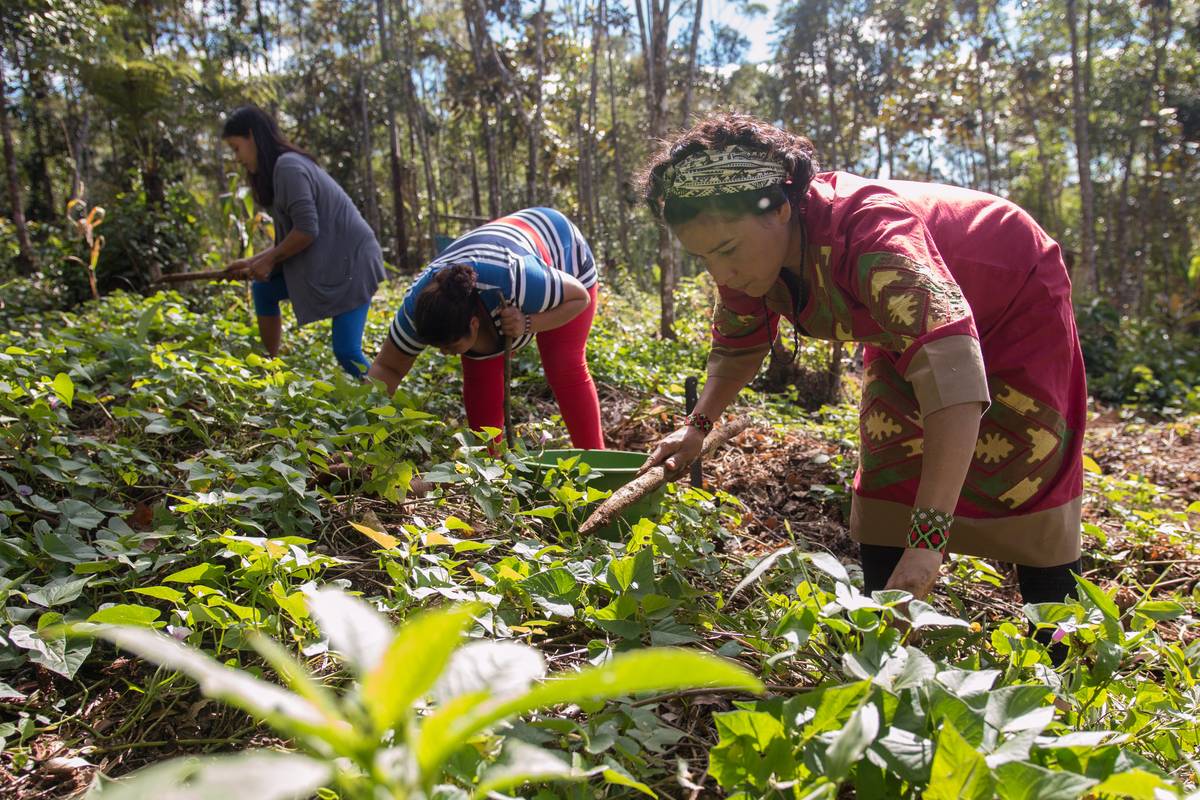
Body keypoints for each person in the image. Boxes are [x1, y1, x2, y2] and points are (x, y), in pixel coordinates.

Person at [638, 113, 1086, 607]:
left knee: (1027, 462)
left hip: (1012, 295)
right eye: (705, 258)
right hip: (905, 330)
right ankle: (885, 633)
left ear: (780, 207)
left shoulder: (870, 231)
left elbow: (952, 376)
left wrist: (929, 543)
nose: (722, 271)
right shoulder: (748, 262)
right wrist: (697, 425)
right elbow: (738, 348)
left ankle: (1056, 651)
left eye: (727, 249)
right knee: (888, 463)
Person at [367, 208, 605, 449]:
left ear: (473, 323)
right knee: (480, 373)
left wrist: (527, 323)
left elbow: (579, 298)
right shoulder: (416, 309)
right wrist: (362, 433)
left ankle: (597, 462)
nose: (444, 353)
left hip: (561, 248)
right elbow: (387, 368)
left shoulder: (519, 280)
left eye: (449, 345)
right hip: (497, 257)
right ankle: (491, 470)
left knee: (563, 365)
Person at [222, 105, 385, 377]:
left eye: (236, 148)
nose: (236, 158)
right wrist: (250, 262)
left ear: (251, 136)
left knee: (346, 350)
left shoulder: (288, 167)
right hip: (329, 261)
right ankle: (270, 368)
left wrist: (267, 260)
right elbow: (290, 238)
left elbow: (307, 231)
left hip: (350, 263)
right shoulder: (279, 172)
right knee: (264, 290)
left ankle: (391, 407)